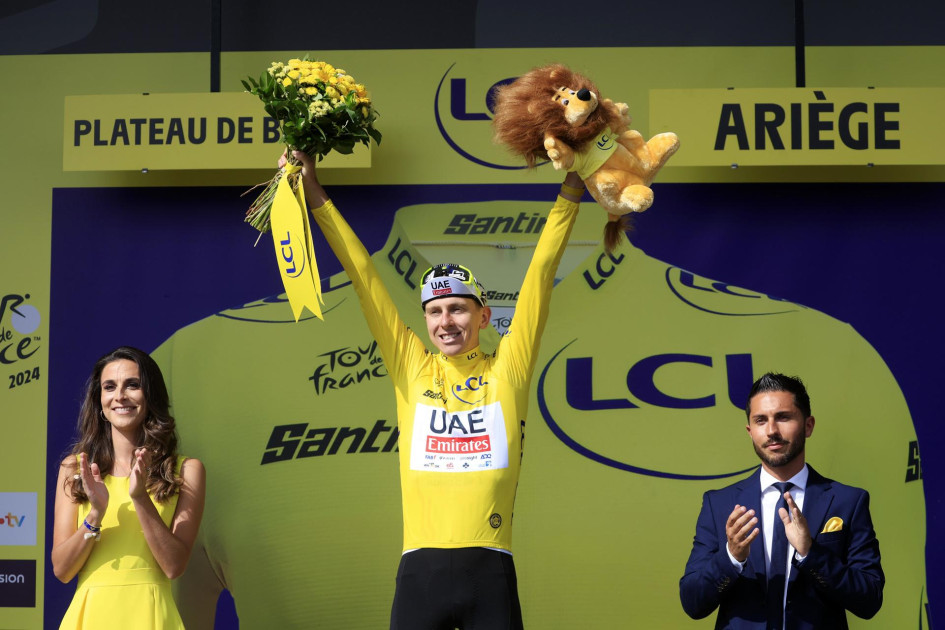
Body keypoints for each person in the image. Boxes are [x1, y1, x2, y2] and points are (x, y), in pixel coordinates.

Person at [286, 149, 583, 629]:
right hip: (419, 571)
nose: (446, 322)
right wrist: (315, 193)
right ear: (424, 320)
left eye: (458, 309)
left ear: (484, 316)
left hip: (490, 567)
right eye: (434, 311)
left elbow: (541, 273)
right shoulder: (412, 367)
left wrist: (572, 187)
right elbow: (364, 277)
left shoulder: (508, 367)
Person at [679, 372, 884, 629]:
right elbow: (693, 603)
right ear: (750, 431)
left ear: (808, 425)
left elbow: (870, 600)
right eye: (761, 421)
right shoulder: (719, 504)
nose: (772, 431)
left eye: (783, 417)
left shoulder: (848, 501)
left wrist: (811, 553)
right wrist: (731, 557)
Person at [52, 346, 206, 629]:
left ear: (150, 395)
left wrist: (140, 498)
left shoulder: (186, 470)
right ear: (99, 401)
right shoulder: (75, 468)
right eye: (109, 387)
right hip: (89, 616)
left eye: (132, 385)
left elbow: (174, 566)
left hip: (151, 615)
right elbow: (62, 569)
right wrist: (95, 515)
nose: (120, 396)